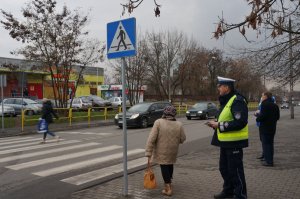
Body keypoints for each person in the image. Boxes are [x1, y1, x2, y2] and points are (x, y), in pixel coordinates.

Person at [207, 76, 248, 199]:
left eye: (220, 86)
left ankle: (240, 195)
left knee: (235, 170)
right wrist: (216, 123)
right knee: (224, 168)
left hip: (234, 143)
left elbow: (240, 122)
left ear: (227, 87)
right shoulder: (227, 100)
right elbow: (227, 118)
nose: (218, 88)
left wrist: (219, 125)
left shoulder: (237, 100)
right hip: (225, 142)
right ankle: (228, 190)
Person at [145, 105, 186, 196]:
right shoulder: (179, 124)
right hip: (173, 150)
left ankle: (168, 188)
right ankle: (169, 182)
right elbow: (183, 138)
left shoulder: (158, 122)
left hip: (161, 150)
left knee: (164, 166)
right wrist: (175, 140)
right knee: (170, 164)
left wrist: (148, 151)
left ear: (164, 113)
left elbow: (152, 138)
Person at [255, 92, 280, 166]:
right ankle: (270, 159)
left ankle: (269, 161)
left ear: (266, 96)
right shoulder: (275, 105)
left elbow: (262, 116)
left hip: (265, 128)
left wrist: (257, 117)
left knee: (266, 145)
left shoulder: (264, 104)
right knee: (270, 145)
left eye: (262, 96)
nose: (261, 97)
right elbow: (277, 117)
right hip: (272, 128)